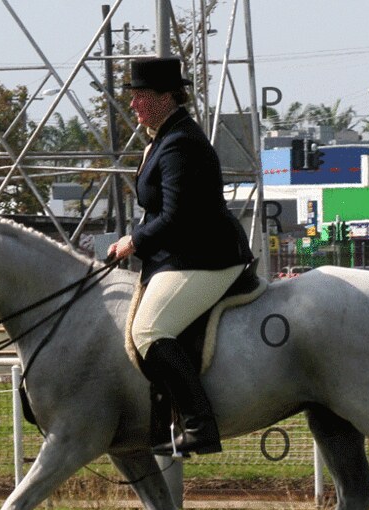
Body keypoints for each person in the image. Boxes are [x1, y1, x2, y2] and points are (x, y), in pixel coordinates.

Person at [108, 56, 253, 456]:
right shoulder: (161, 138)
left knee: (148, 331)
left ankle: (199, 424)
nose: (133, 104)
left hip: (209, 257)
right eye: (133, 96)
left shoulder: (180, 143)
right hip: (180, 255)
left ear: (166, 96)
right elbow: (159, 212)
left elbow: (175, 216)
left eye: (141, 96)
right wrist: (134, 237)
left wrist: (134, 242)